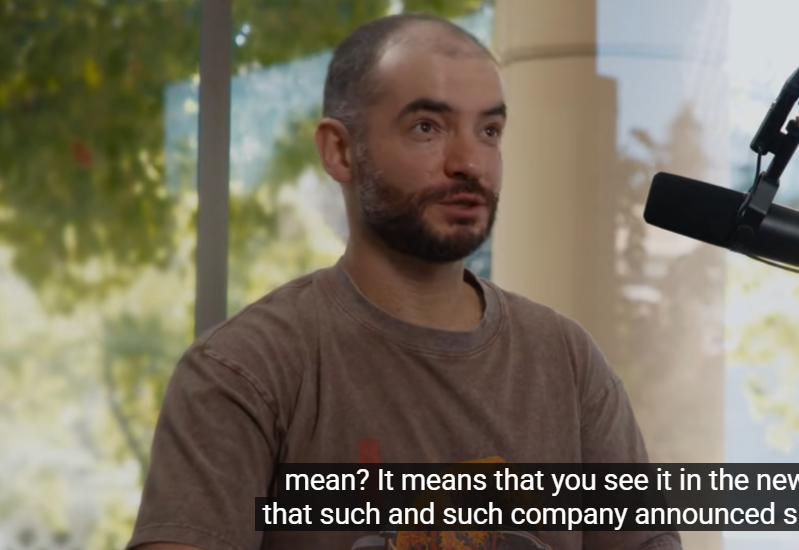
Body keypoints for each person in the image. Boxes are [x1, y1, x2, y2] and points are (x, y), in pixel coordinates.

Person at [126, 12, 682, 550]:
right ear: (340, 151)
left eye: (489, 130)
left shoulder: (567, 361)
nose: (470, 163)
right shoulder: (244, 370)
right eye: (427, 127)